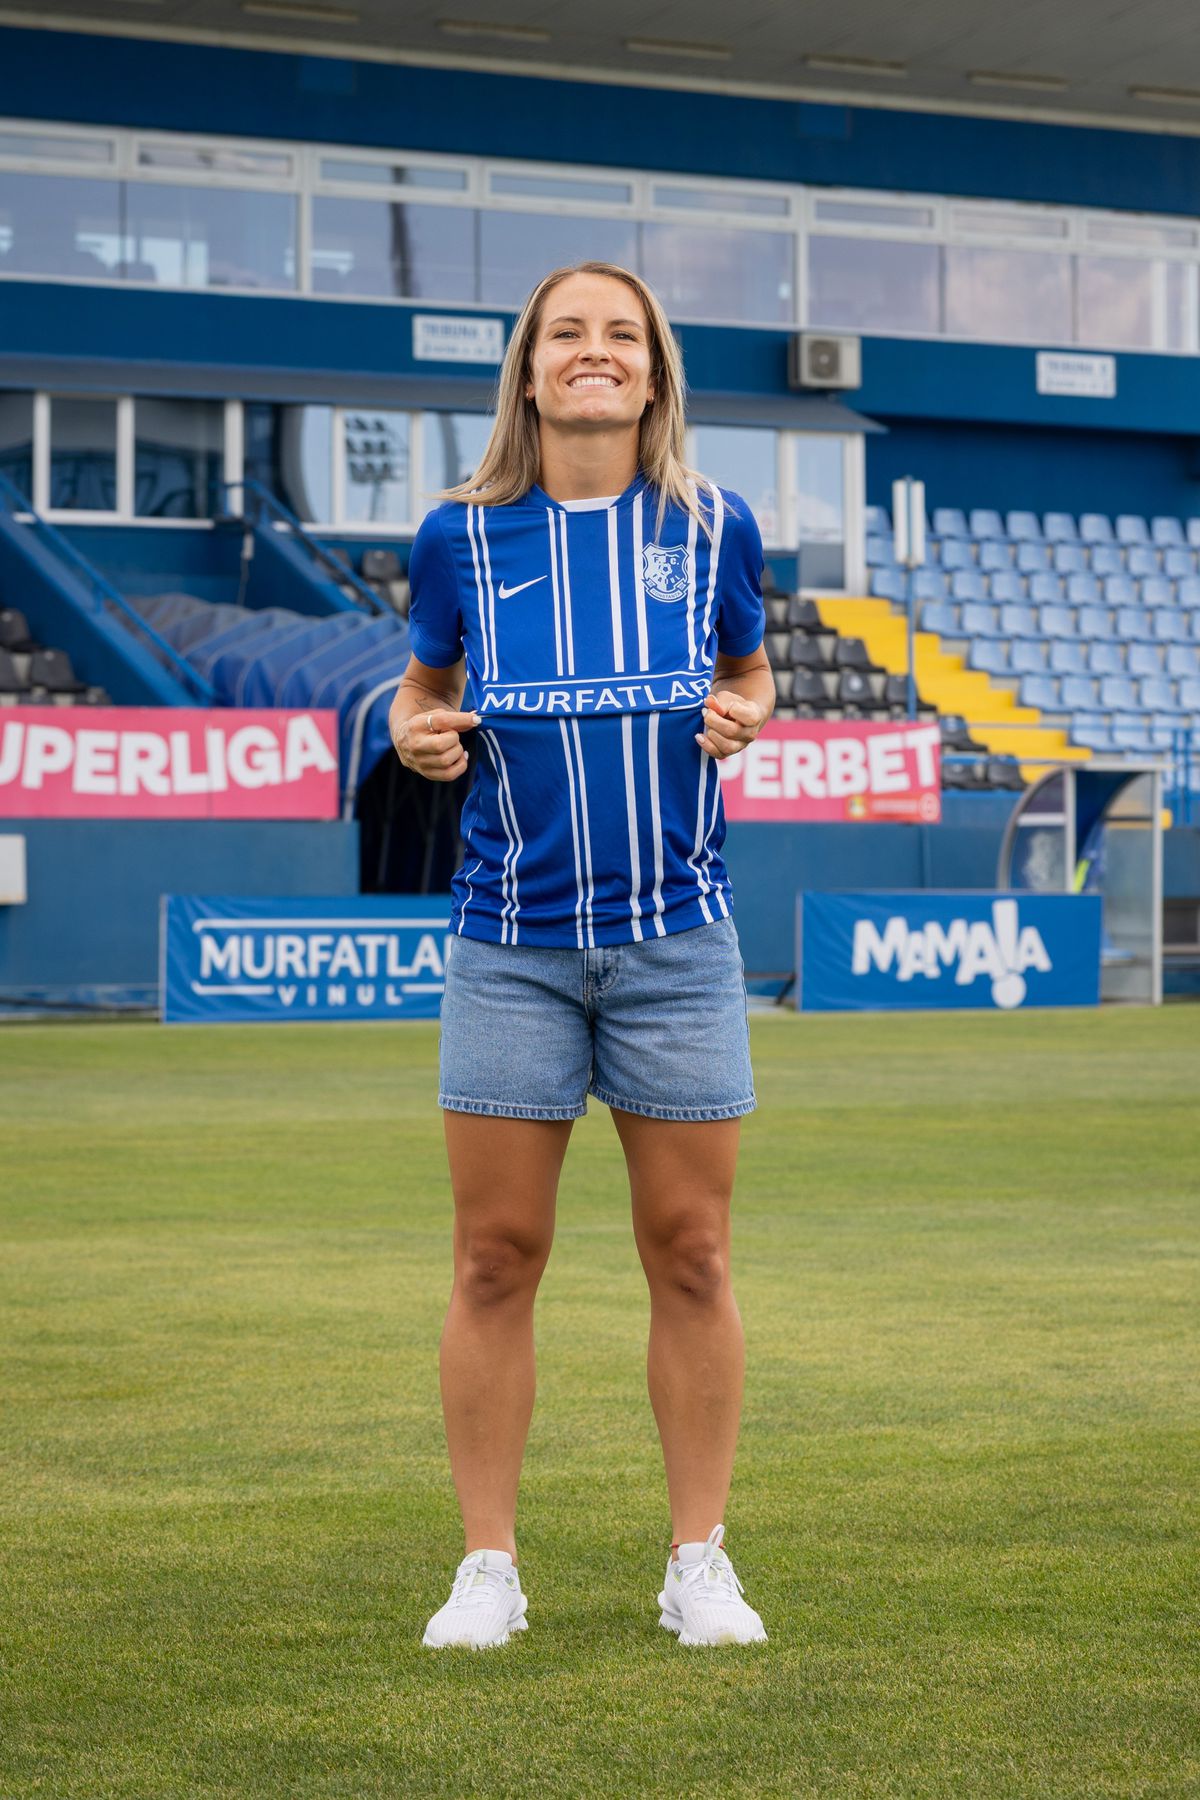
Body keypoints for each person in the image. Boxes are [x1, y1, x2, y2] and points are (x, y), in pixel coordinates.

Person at [389, 260, 775, 1650]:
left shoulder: (716, 524)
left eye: (621, 334)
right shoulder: (458, 535)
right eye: (567, 334)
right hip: (512, 949)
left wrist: (747, 709)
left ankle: (699, 1562)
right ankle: (488, 1567)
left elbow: (750, 671)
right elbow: (422, 692)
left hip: (678, 944)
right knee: (496, 1257)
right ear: (531, 370)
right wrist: (414, 731)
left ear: (655, 371)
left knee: (695, 1254)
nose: (594, 352)